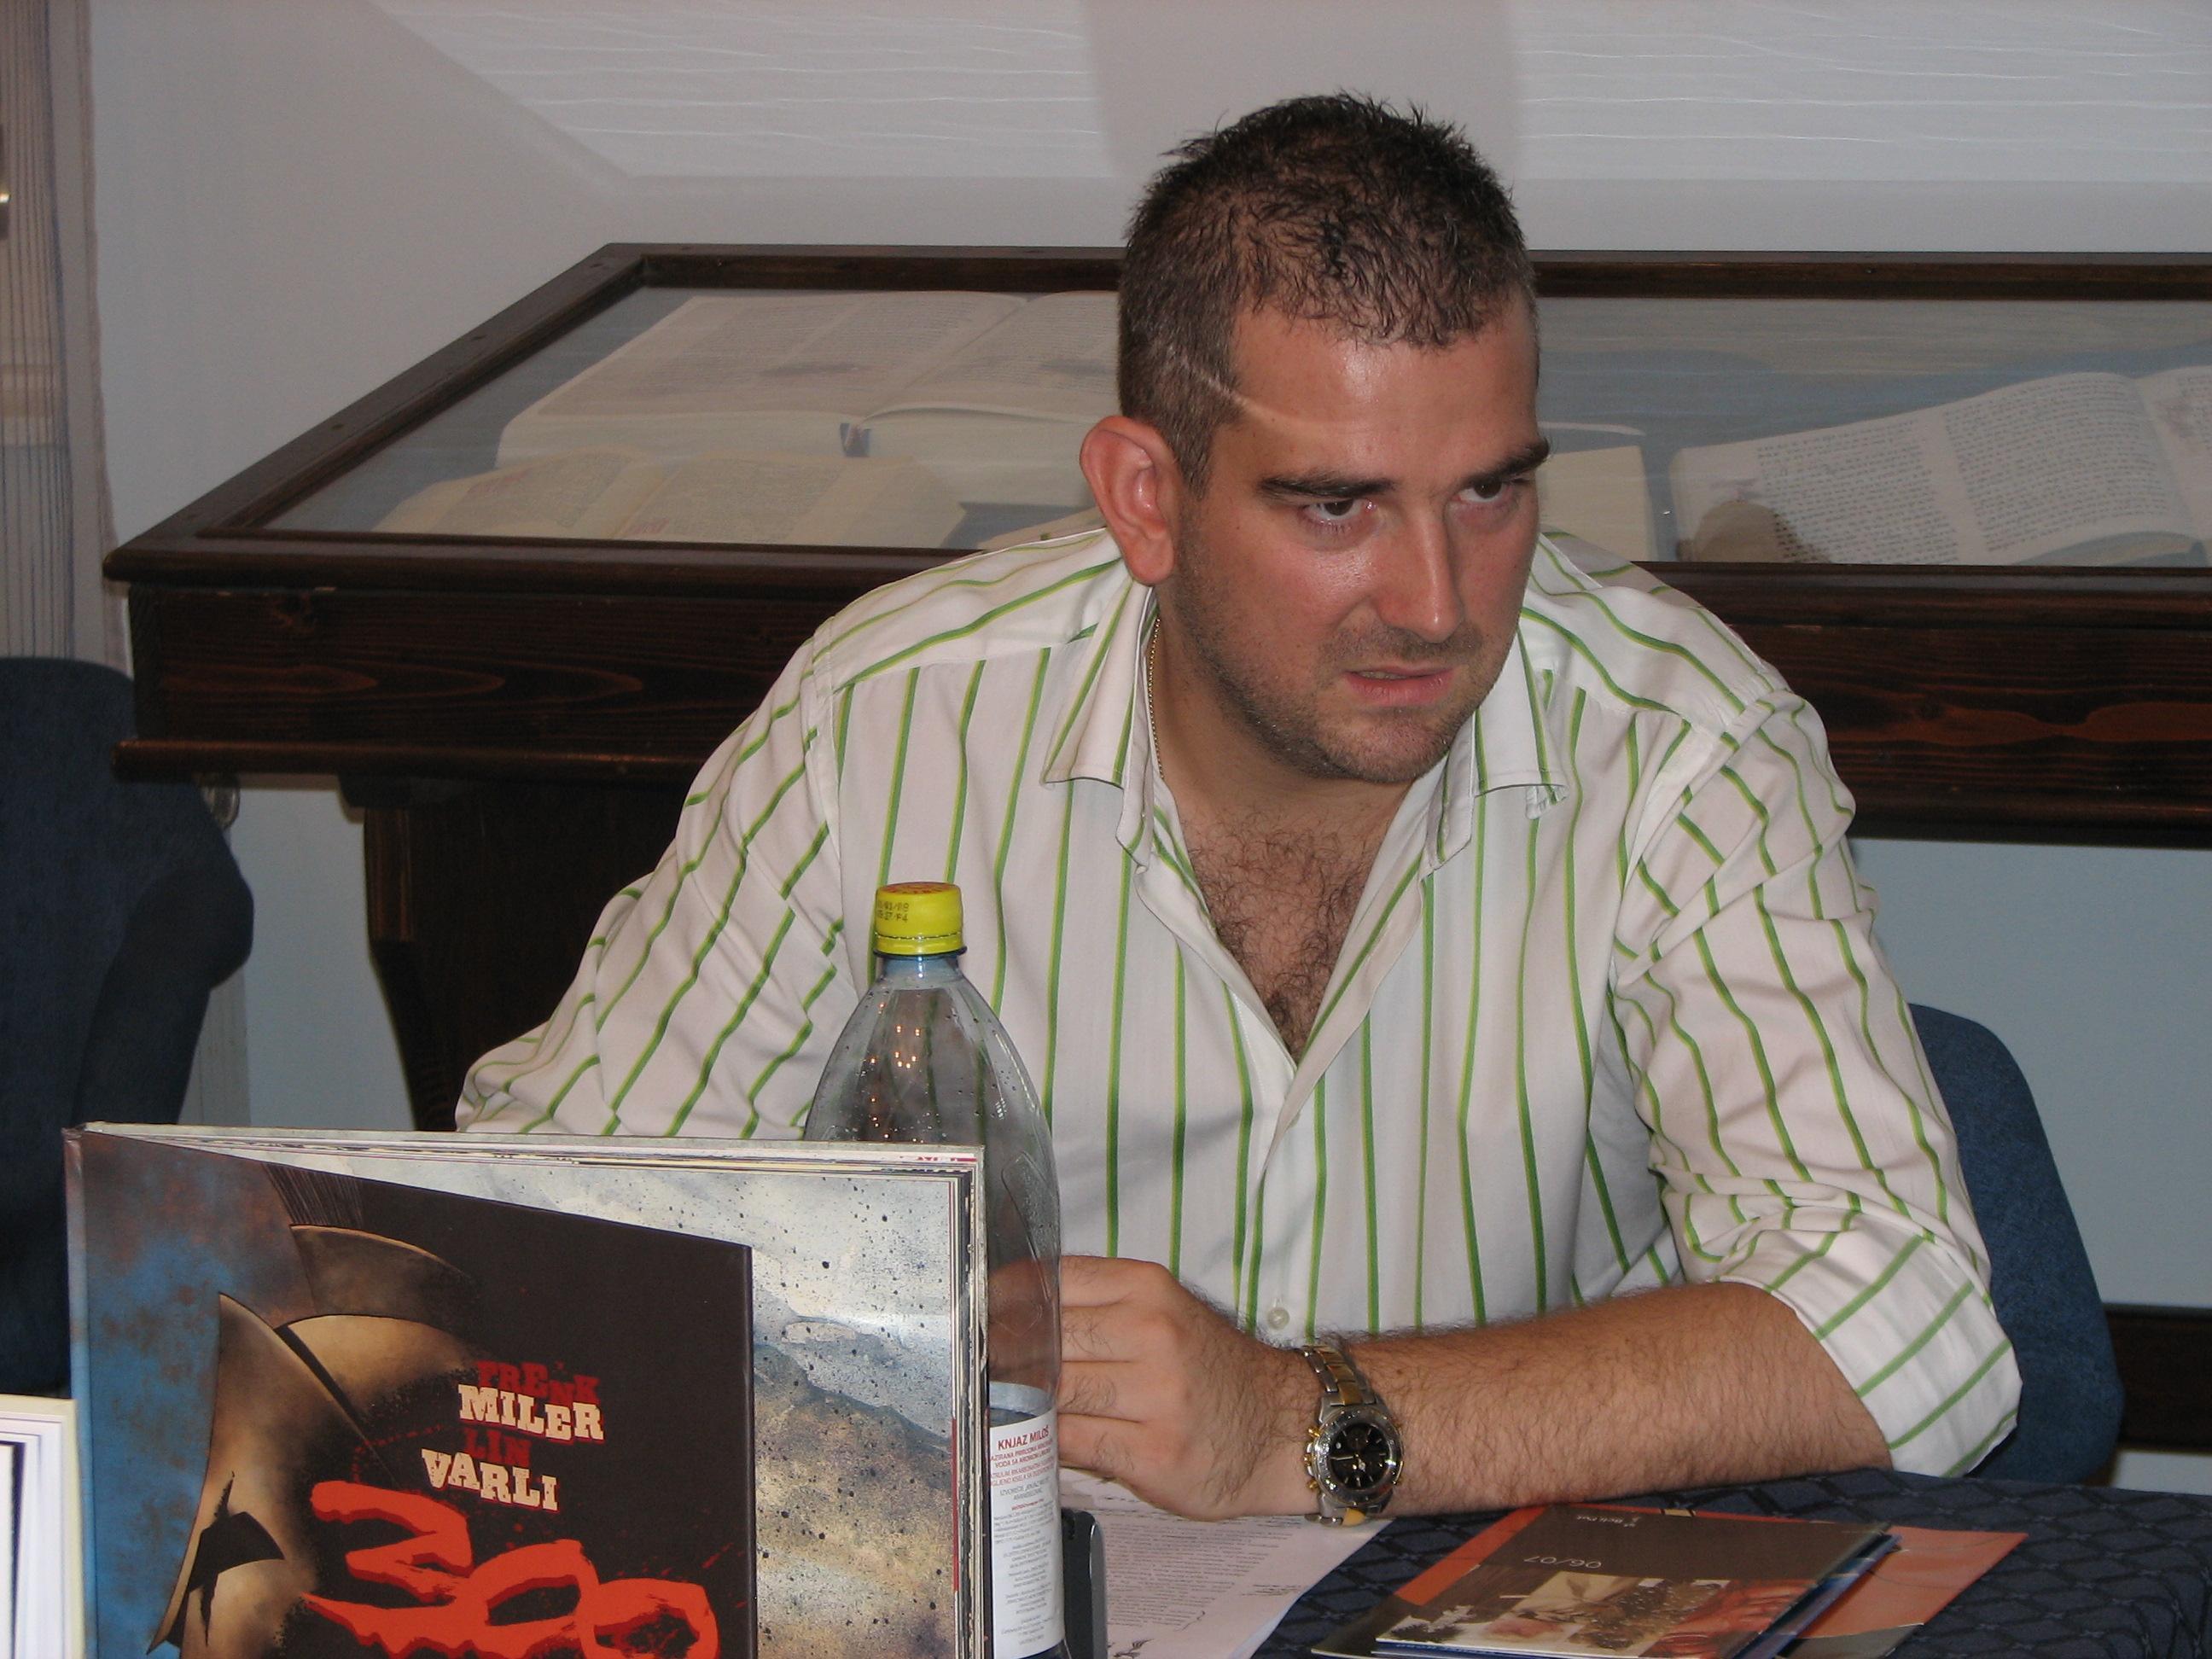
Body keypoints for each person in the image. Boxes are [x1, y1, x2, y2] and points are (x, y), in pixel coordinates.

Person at [458, 94, 2017, 1522]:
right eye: (1337, 506)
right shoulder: (885, 720)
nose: (1438, 605)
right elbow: (539, 1236)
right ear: (1146, 498)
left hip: (1482, 1572)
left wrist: (1295, 1422)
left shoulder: (1680, 740)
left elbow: (1910, 1325)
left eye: (1490, 490)